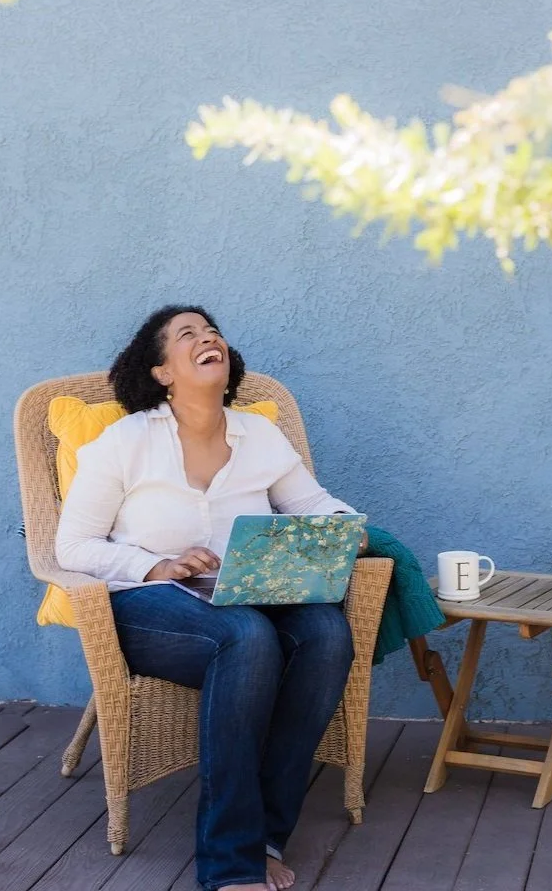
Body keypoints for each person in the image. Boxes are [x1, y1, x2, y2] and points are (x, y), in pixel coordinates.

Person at [56, 305, 365, 891]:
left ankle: (265, 837)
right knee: (245, 638)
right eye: (188, 334)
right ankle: (229, 862)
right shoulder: (125, 442)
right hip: (148, 603)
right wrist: (156, 565)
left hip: (244, 592)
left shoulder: (259, 435)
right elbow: (71, 545)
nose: (208, 338)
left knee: (326, 635)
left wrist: (347, 526)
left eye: (213, 331)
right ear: (162, 371)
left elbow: (311, 504)